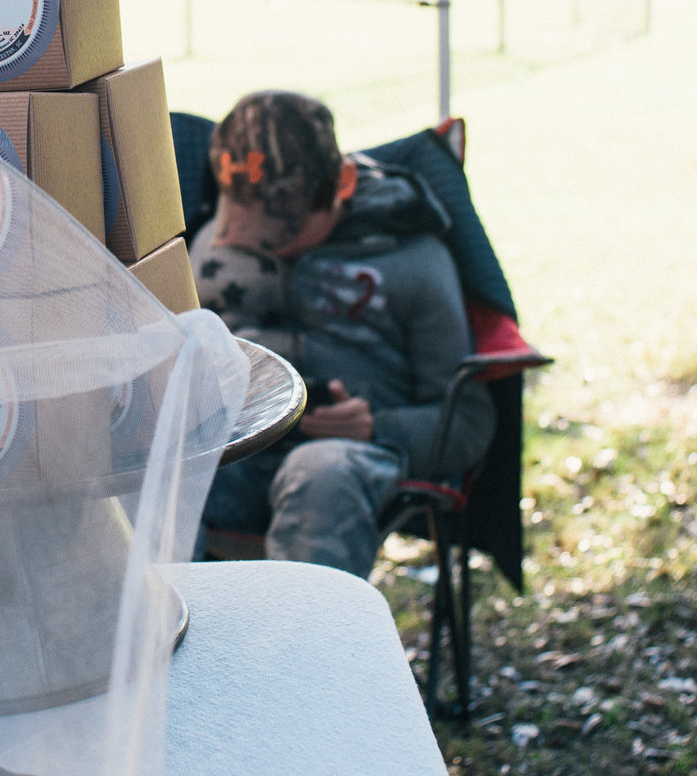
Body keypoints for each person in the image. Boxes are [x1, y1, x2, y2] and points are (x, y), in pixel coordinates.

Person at [192, 91, 485, 577]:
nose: (263, 249)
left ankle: (302, 650)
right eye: (244, 237)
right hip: (233, 454)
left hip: (345, 461)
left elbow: (469, 421)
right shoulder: (216, 236)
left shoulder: (412, 257)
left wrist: (378, 427)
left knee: (321, 475)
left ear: (343, 184)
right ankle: (153, 643)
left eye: (283, 236)